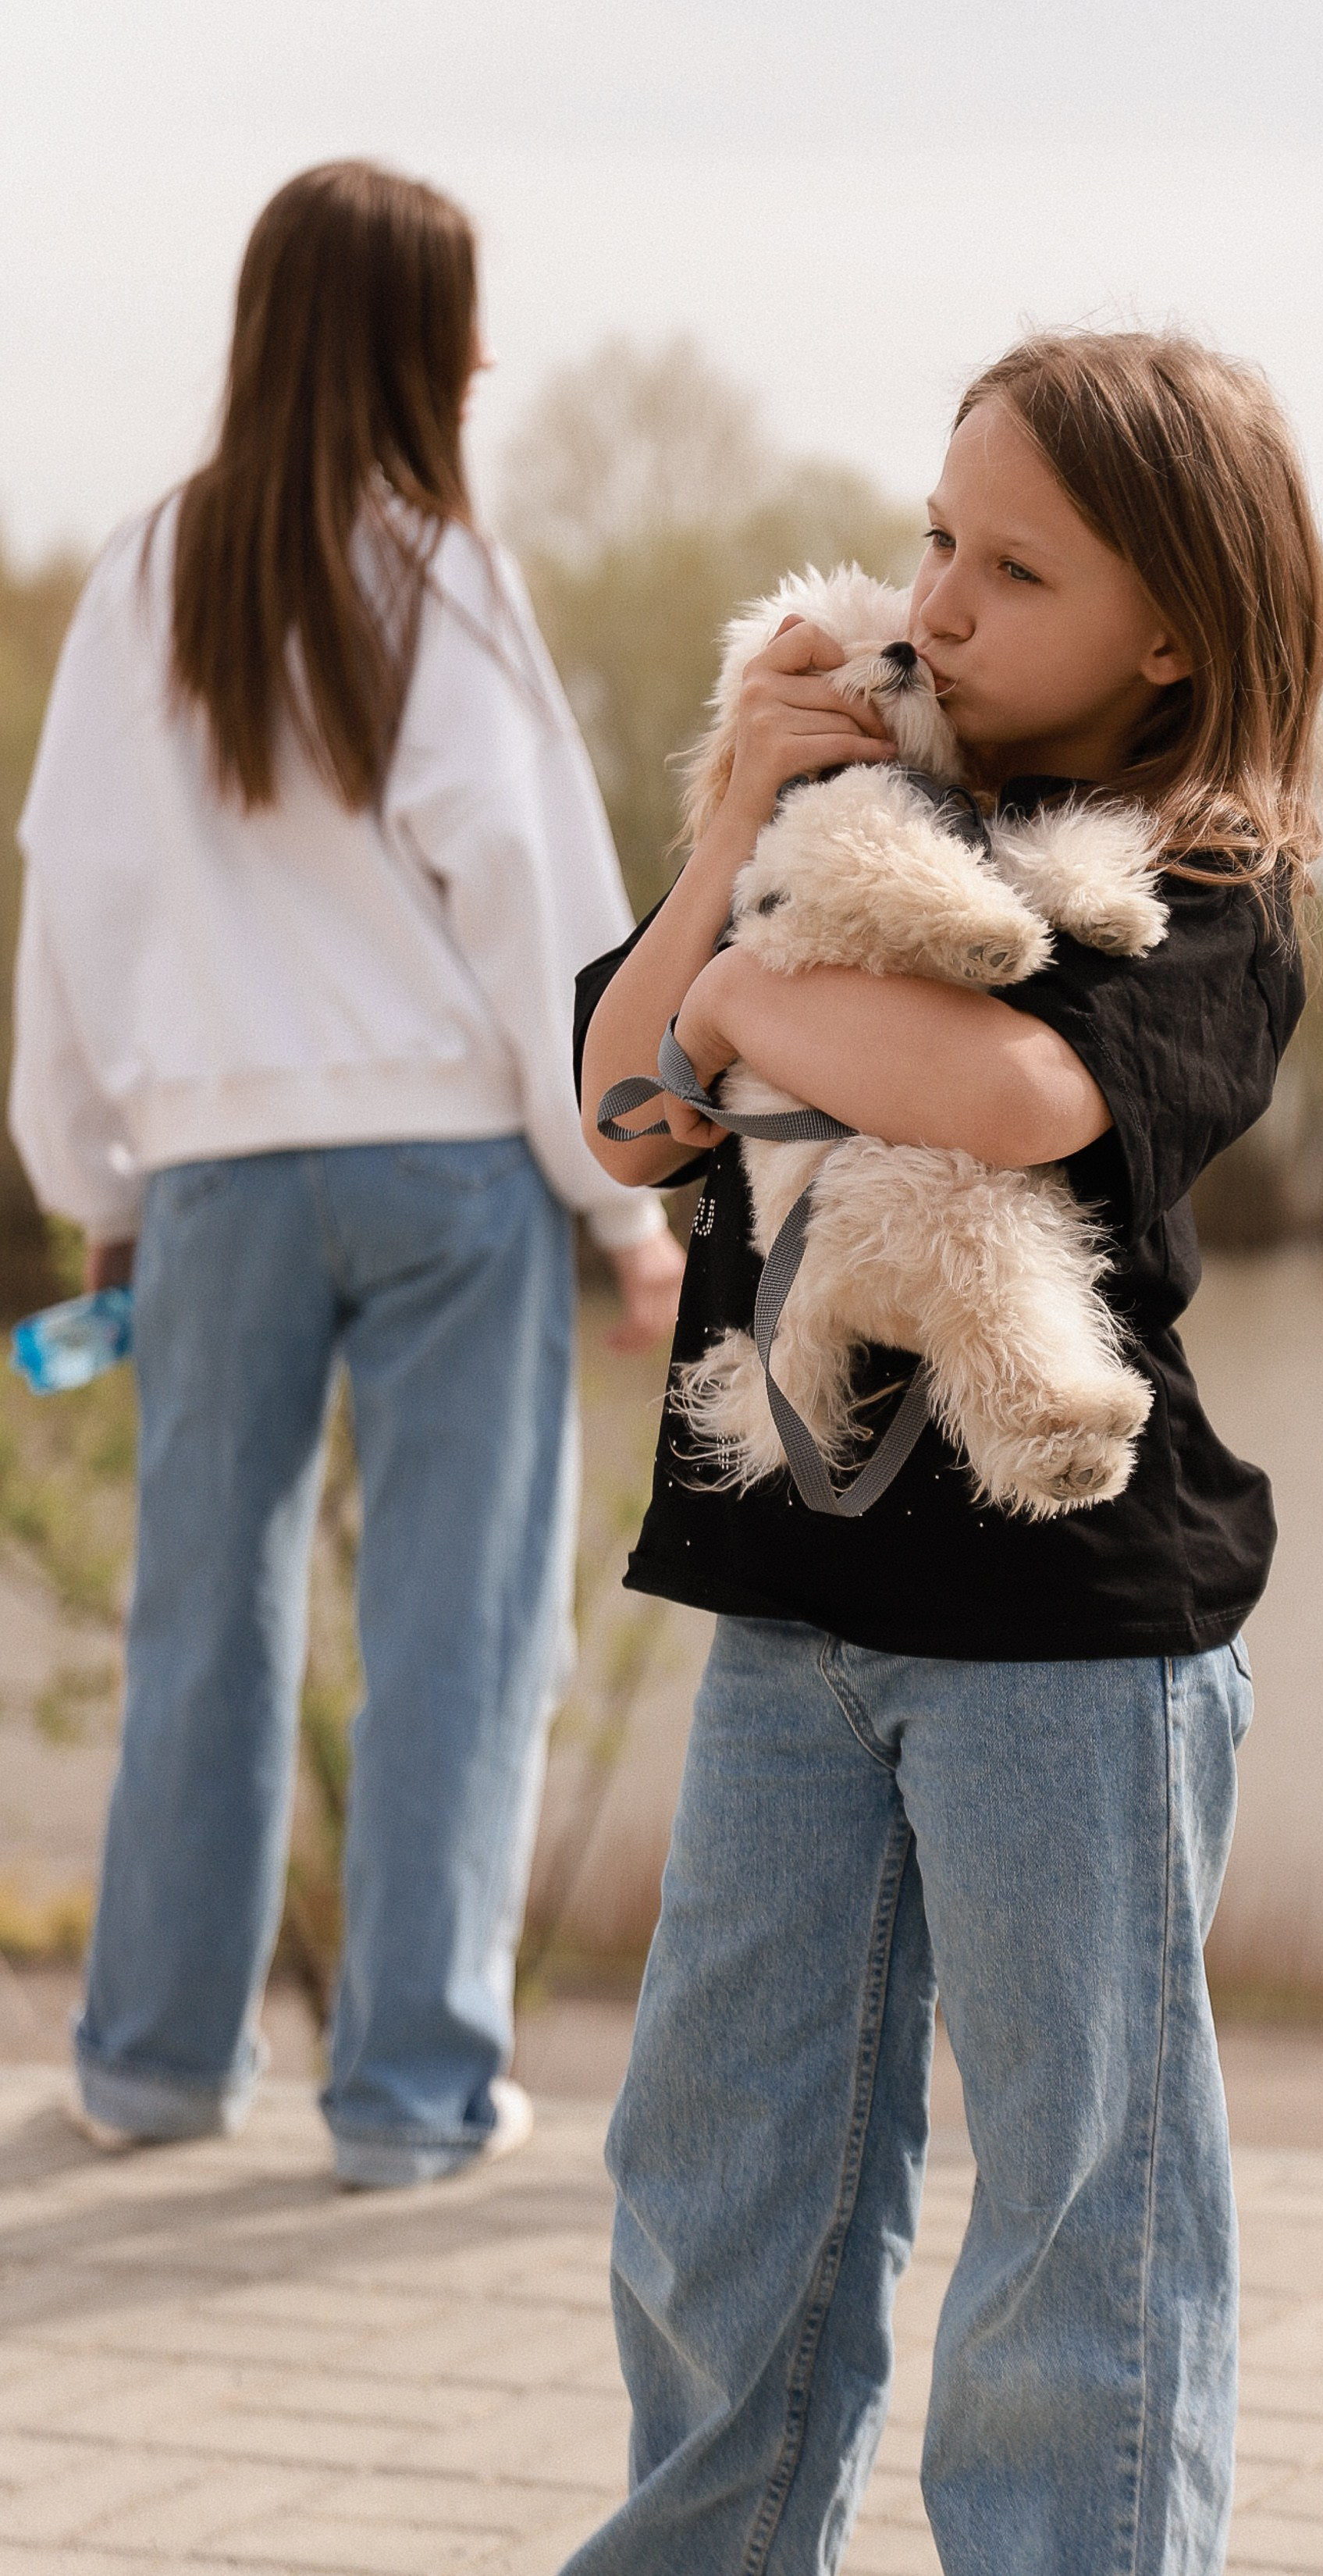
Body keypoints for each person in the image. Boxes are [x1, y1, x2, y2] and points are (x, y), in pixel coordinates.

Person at [567, 331, 1323, 2574]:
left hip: (1066, 1639)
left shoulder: (1201, 886)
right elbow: (624, 1116)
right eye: (935, 539)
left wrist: (734, 1005)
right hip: (790, 1610)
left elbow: (996, 1092)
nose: (944, 602)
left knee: (1075, 2235)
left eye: (1019, 567)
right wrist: (723, 851)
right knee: (721, 2182)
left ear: (1173, 631)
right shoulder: (822, 818)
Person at [9, 162, 684, 2188]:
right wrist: (624, 1202)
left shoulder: (142, 573)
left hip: (209, 1179)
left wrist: (86, 1174)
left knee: (202, 1626)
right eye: (467, 316)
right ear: (422, 340)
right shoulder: (445, 576)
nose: (486, 354)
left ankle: (149, 2065)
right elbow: (541, 913)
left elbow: (71, 906)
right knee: (457, 1632)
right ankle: (403, 2098)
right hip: (449, 1176)